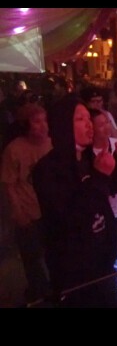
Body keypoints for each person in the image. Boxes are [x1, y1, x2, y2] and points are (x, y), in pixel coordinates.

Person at [32, 94, 117, 307]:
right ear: (63, 125)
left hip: (102, 264)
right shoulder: (47, 169)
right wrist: (99, 177)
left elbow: (112, 187)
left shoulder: (87, 158)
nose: (89, 124)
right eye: (80, 119)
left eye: (89, 118)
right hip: (75, 271)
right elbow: (70, 218)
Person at [1, 104, 52, 303]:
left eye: (45, 120)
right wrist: (18, 211)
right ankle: (38, 295)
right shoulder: (14, 149)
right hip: (29, 213)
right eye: (37, 121)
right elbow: (9, 184)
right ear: (25, 125)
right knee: (32, 260)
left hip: (50, 211)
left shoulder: (52, 143)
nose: (43, 126)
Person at [90, 108, 117, 289]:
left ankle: (116, 273)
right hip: (99, 211)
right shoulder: (86, 152)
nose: (106, 126)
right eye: (100, 124)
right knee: (101, 247)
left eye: (107, 122)